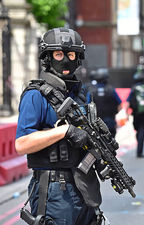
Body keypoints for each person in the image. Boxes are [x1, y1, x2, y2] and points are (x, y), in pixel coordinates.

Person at [15, 28, 106, 224]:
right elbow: (22, 144)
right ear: (47, 58)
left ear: (78, 57)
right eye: (58, 54)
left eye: (70, 54)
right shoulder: (35, 95)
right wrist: (64, 131)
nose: (65, 60)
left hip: (85, 185)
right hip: (55, 189)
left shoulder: (83, 94)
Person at [89, 68, 122, 137]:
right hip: (110, 121)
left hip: (96, 122)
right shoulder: (111, 90)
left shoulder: (92, 91)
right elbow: (120, 105)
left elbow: (87, 105)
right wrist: (114, 113)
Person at [126, 69, 144, 158]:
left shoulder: (133, 89)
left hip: (136, 113)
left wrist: (126, 113)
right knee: (142, 131)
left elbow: (128, 101)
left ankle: (139, 148)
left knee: (138, 130)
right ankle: (140, 150)